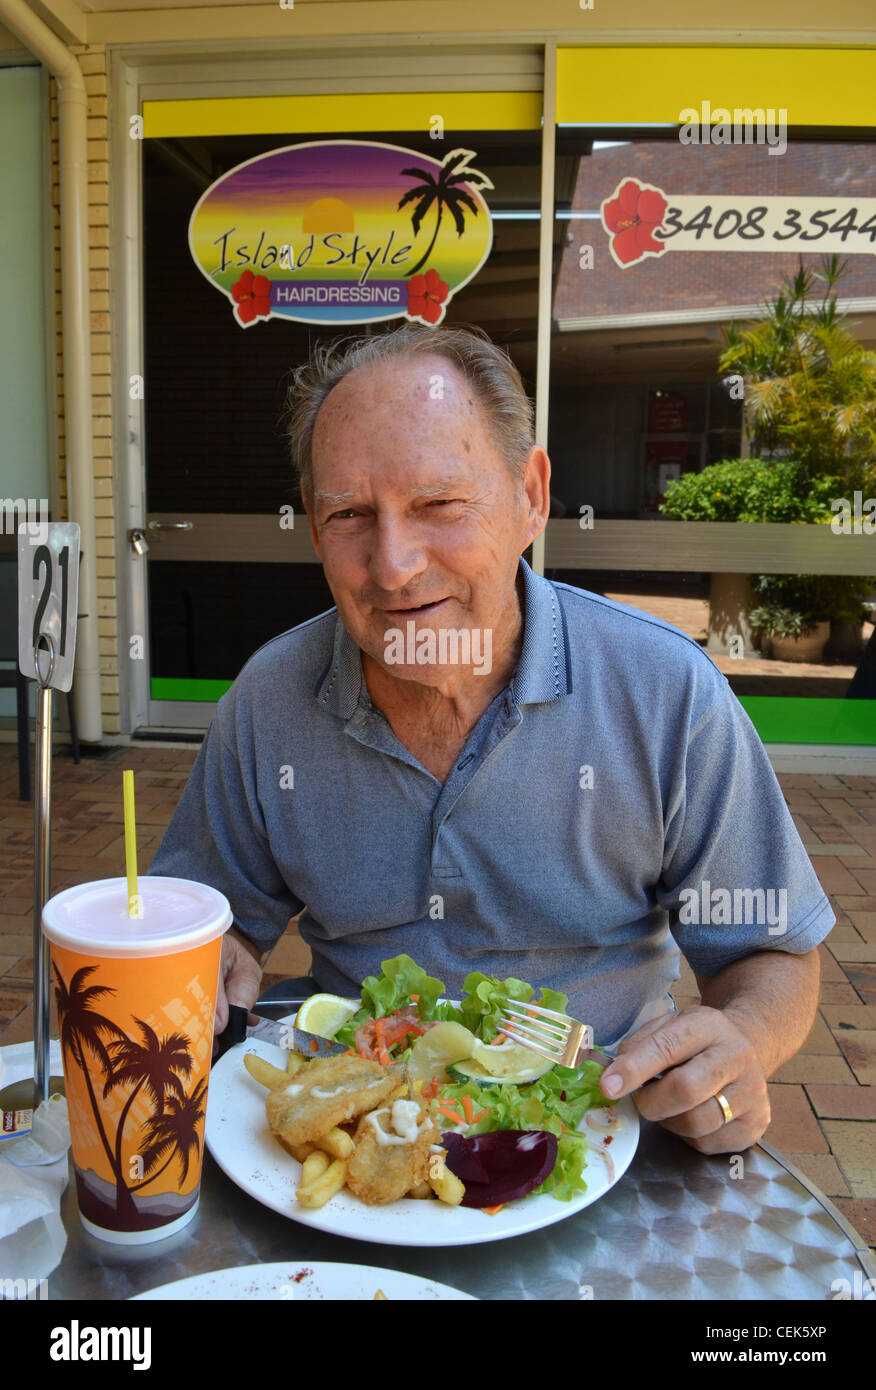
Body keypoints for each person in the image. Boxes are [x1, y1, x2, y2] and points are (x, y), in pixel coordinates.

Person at [148, 322, 834, 1154]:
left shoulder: (665, 693)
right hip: (357, 1128)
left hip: (597, 1130)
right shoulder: (270, 700)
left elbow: (772, 951)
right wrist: (205, 960)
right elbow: (205, 925)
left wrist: (742, 1045)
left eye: (439, 504)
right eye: (351, 514)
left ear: (531, 495)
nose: (394, 564)